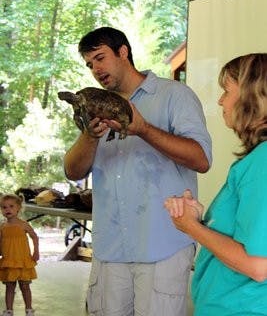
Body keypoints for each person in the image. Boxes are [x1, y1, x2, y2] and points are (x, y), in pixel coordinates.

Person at [64, 26, 212, 316]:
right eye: (90, 64)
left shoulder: (174, 95)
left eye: (100, 58)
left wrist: (143, 129)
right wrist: (89, 135)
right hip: (110, 248)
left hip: (163, 246)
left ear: (123, 52)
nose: (95, 69)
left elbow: (201, 159)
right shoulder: (95, 106)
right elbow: (72, 170)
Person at [164, 53, 267, 316]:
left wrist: (190, 227)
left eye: (226, 91)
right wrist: (200, 220)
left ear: (253, 97)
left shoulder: (262, 162)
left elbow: (258, 266)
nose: (221, 100)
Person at [0, 194, 39, 316]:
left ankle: (29, 309)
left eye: (11, 206)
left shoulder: (23, 224)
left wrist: (36, 251)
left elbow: (34, 237)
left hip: (23, 260)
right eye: (4, 207)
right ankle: (9, 310)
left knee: (25, 286)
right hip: (9, 261)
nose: (7, 210)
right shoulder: (2, 226)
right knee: (9, 287)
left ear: (18, 208)